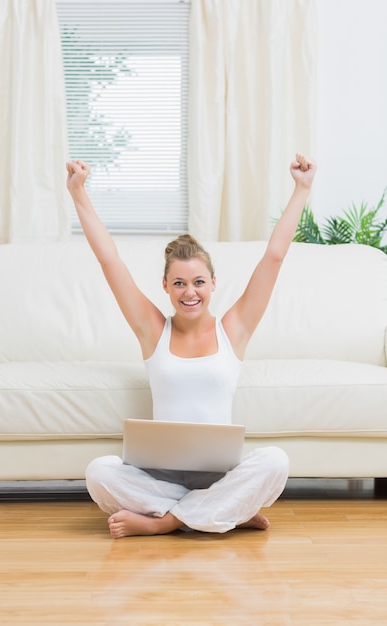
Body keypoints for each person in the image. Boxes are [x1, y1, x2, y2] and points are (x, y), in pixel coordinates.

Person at [66, 153, 316, 538]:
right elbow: (108, 259)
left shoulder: (234, 329)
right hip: (160, 476)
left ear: (213, 284)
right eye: (179, 283)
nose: (190, 292)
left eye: (198, 282)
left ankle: (166, 522)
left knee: (275, 461)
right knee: (98, 472)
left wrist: (302, 189)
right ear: (165, 287)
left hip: (219, 473)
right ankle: (225, 510)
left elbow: (275, 256)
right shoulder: (153, 330)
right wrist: (78, 191)